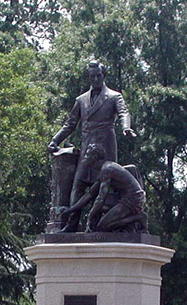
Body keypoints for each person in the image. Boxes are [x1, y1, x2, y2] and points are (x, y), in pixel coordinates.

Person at [48, 60, 137, 232]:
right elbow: (70, 124)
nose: (95, 79)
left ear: (103, 76)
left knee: (107, 186)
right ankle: (72, 224)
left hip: (105, 148)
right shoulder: (81, 100)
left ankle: (107, 224)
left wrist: (126, 127)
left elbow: (124, 112)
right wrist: (55, 140)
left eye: (98, 76)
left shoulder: (113, 96)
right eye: (92, 76)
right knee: (78, 184)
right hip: (87, 149)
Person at [60, 144, 146, 233]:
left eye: (87, 155)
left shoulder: (107, 169)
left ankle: (138, 217)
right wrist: (70, 210)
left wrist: (90, 216)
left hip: (133, 200)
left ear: (94, 157)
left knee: (102, 227)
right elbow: (89, 195)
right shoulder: (103, 170)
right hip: (126, 198)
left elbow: (101, 198)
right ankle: (94, 229)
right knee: (99, 207)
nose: (84, 158)